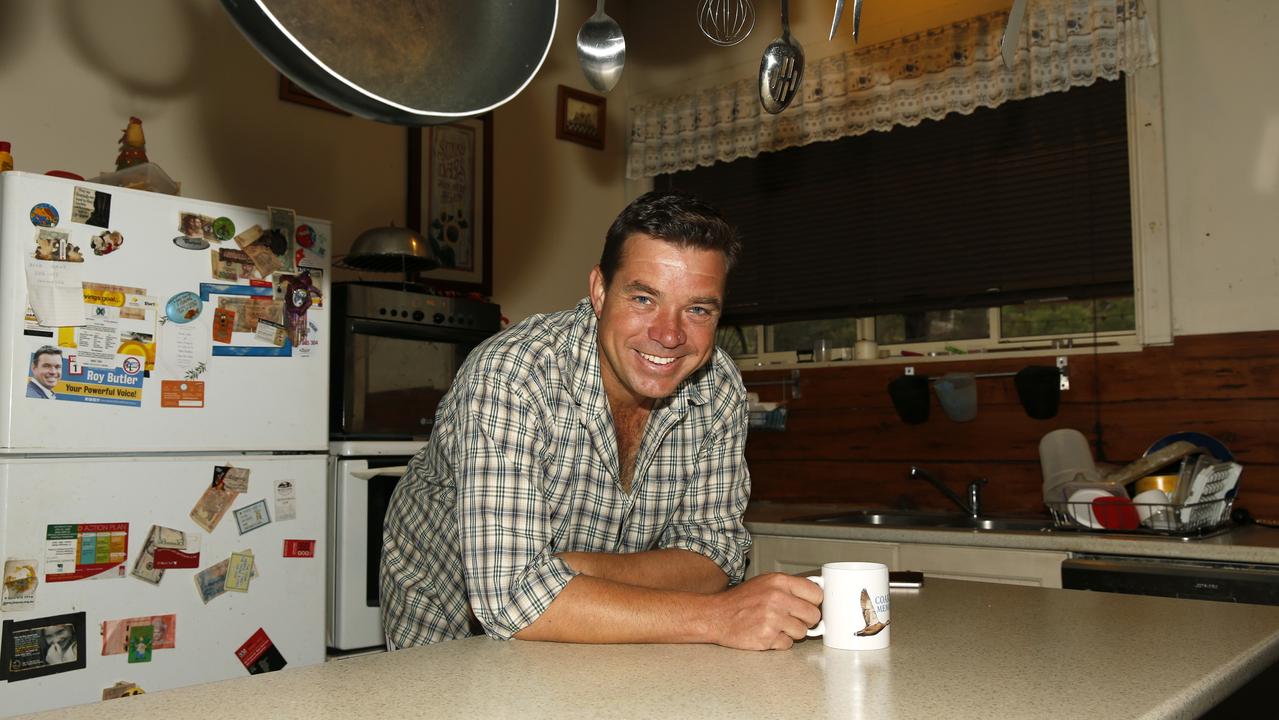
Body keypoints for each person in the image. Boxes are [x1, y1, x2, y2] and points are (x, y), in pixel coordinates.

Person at [381, 190, 821, 651]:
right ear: (599, 290)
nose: (669, 334)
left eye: (697, 309)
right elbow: (510, 597)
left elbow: (715, 556)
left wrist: (570, 573)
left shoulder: (718, 387)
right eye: (644, 298)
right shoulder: (513, 374)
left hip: (618, 617)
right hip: (445, 612)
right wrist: (719, 618)